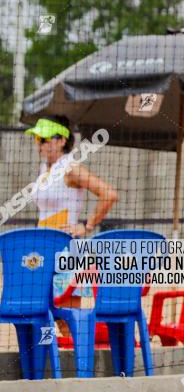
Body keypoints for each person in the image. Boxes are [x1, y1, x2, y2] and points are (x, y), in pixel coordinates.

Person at [25, 116, 117, 317]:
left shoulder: (70, 167)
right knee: (45, 315)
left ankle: (80, 348)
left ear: (61, 140)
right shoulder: (45, 169)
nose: (38, 144)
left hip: (66, 250)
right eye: (36, 139)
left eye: (44, 139)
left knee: (68, 318)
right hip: (44, 250)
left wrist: (87, 226)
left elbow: (109, 194)